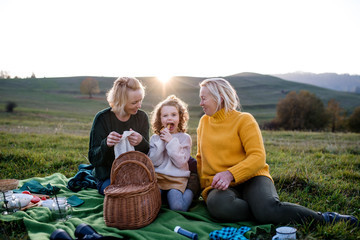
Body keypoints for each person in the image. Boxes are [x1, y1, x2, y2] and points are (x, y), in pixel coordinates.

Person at [196, 77, 358, 226]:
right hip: (222, 186)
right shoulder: (203, 122)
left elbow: (258, 157)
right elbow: (200, 157)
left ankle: (325, 218)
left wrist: (230, 174)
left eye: (204, 98)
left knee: (268, 210)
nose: (200, 103)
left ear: (220, 98)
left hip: (253, 177)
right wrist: (205, 188)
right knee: (218, 205)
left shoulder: (244, 120)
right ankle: (261, 211)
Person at [88, 77, 150, 195]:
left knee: (152, 192)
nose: (139, 105)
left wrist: (141, 141)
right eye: (134, 102)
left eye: (140, 100)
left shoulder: (142, 117)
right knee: (121, 193)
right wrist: (106, 144)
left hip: (135, 175)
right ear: (120, 101)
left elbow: (148, 154)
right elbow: (93, 158)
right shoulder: (102, 118)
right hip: (108, 176)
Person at [148, 95, 194, 211]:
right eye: (165, 115)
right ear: (160, 119)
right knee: (150, 205)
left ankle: (192, 190)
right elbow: (154, 162)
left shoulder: (185, 138)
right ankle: (164, 198)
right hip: (158, 178)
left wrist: (171, 141)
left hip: (176, 179)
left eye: (173, 115)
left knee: (178, 207)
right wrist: (162, 142)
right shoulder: (155, 138)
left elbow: (180, 162)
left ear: (180, 117)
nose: (169, 118)